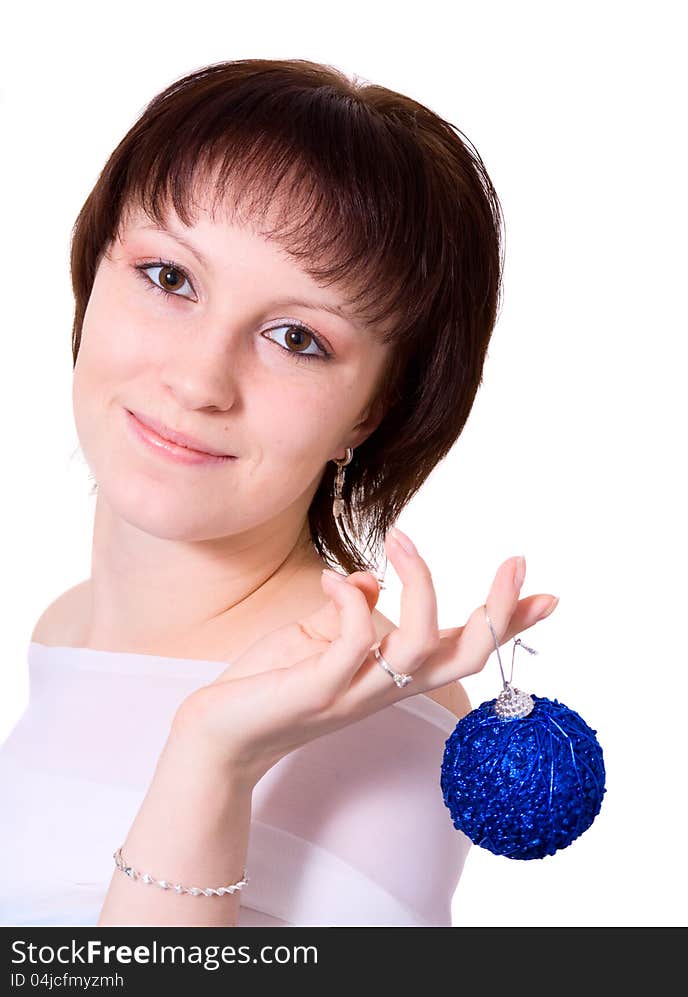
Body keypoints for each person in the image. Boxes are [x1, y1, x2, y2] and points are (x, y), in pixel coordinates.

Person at [0, 58, 559, 927]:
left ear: (373, 410)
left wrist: (210, 760)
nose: (197, 380)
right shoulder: (66, 624)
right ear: (92, 267)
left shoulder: (370, 713)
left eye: (296, 337)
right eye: (169, 277)